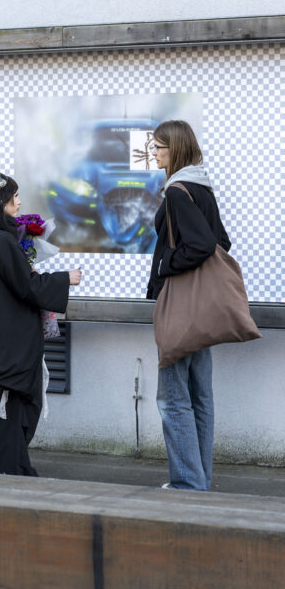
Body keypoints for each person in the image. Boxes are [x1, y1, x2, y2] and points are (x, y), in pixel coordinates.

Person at [0, 173, 81, 476]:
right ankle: (9, 477)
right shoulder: (1, 239)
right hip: (8, 348)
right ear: (1, 200)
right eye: (14, 196)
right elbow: (26, 286)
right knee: (12, 411)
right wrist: (65, 279)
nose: (19, 202)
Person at [146, 121, 231, 491]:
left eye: (159, 147)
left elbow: (202, 245)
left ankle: (187, 485)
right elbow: (222, 242)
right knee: (200, 397)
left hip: (179, 307)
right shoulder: (201, 187)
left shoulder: (177, 192)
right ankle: (200, 481)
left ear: (175, 149)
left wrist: (165, 264)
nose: (153, 153)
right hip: (201, 310)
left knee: (173, 398)